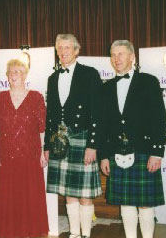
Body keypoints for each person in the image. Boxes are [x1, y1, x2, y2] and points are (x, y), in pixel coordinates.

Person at [100, 40, 166, 238]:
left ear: (132, 57)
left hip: (144, 150)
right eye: (113, 55)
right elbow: (103, 125)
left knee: (145, 203)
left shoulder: (148, 81)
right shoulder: (107, 87)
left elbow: (159, 118)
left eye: (121, 54)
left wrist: (157, 152)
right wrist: (104, 155)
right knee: (125, 201)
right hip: (116, 152)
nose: (117, 59)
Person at [45, 34, 103, 238]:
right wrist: (46, 146)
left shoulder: (89, 74)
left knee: (85, 195)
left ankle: (85, 234)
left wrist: (93, 145)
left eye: (67, 47)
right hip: (60, 141)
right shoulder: (53, 78)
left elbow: (97, 111)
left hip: (81, 138)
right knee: (68, 193)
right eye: (59, 48)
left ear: (76, 50)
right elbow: (50, 116)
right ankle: (74, 234)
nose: (62, 51)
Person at [0, 59, 49, 238]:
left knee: (29, 196)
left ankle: (30, 232)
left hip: (30, 155)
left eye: (18, 72)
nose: (13, 75)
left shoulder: (36, 97)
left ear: (25, 75)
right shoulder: (0, 98)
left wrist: (42, 151)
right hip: (6, 156)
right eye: (11, 72)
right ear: (6, 76)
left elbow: (42, 128)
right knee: (9, 198)